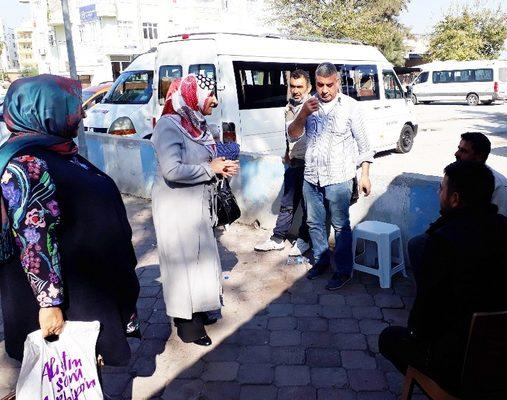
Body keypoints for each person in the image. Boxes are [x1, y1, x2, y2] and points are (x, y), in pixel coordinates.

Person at [0, 75, 140, 366]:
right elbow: (33, 239)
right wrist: (49, 305)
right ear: (44, 109)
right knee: (68, 377)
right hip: (68, 300)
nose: (82, 113)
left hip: (87, 288)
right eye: (72, 107)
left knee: (83, 377)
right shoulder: (28, 164)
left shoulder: (57, 151)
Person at [379, 161, 507, 394]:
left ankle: (444, 389)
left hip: (460, 362)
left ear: (454, 199)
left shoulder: (442, 243)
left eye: (441, 189)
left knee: (389, 338)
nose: (438, 194)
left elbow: (424, 321)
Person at [151, 74, 239, 346]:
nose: (214, 99)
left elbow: (202, 158)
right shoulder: (169, 126)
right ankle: (187, 325)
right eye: (209, 94)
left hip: (197, 204)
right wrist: (209, 169)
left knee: (199, 261)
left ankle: (199, 310)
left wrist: (220, 165)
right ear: (192, 96)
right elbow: (172, 170)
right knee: (182, 264)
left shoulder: (196, 124)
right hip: (176, 207)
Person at [288, 62, 373, 291]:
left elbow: (365, 146)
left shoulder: (351, 107)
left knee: (341, 226)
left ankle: (344, 271)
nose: (324, 90)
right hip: (311, 177)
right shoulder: (308, 104)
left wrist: (364, 175)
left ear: (337, 82)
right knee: (314, 223)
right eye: (319, 84)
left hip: (339, 178)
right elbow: (293, 136)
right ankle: (321, 261)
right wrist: (303, 114)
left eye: (329, 85)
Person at [254, 70, 312, 256]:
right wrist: (287, 152)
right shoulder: (288, 108)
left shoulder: (313, 107)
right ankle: (278, 238)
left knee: (307, 206)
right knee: (287, 203)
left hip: (311, 165)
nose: (295, 91)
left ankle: (304, 240)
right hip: (294, 163)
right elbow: (288, 134)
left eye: (299, 87)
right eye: (292, 86)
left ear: (308, 87)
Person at [454, 131, 507, 217]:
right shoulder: (455, 176)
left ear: (479, 156)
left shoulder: (500, 186)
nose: (456, 153)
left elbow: (500, 225)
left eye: (463, 151)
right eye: (459, 149)